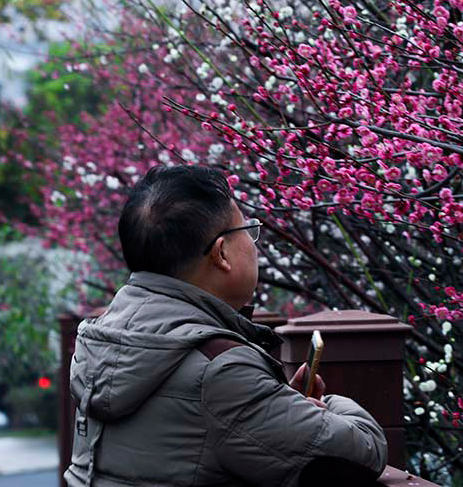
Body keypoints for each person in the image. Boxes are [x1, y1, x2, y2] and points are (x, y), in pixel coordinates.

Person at [64, 164, 388, 487]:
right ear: (221, 254)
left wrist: (277, 401)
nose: (253, 241)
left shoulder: (105, 336)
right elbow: (361, 452)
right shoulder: (222, 371)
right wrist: (328, 406)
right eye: (247, 229)